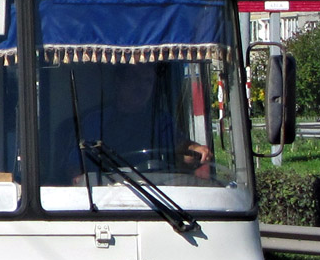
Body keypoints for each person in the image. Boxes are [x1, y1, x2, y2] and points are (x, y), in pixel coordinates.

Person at [65, 63, 211, 181]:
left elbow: (180, 147)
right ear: (119, 82)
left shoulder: (159, 121)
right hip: (104, 199)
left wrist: (195, 151)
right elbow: (76, 167)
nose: (141, 86)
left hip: (154, 197)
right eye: (134, 78)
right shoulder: (95, 121)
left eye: (147, 81)